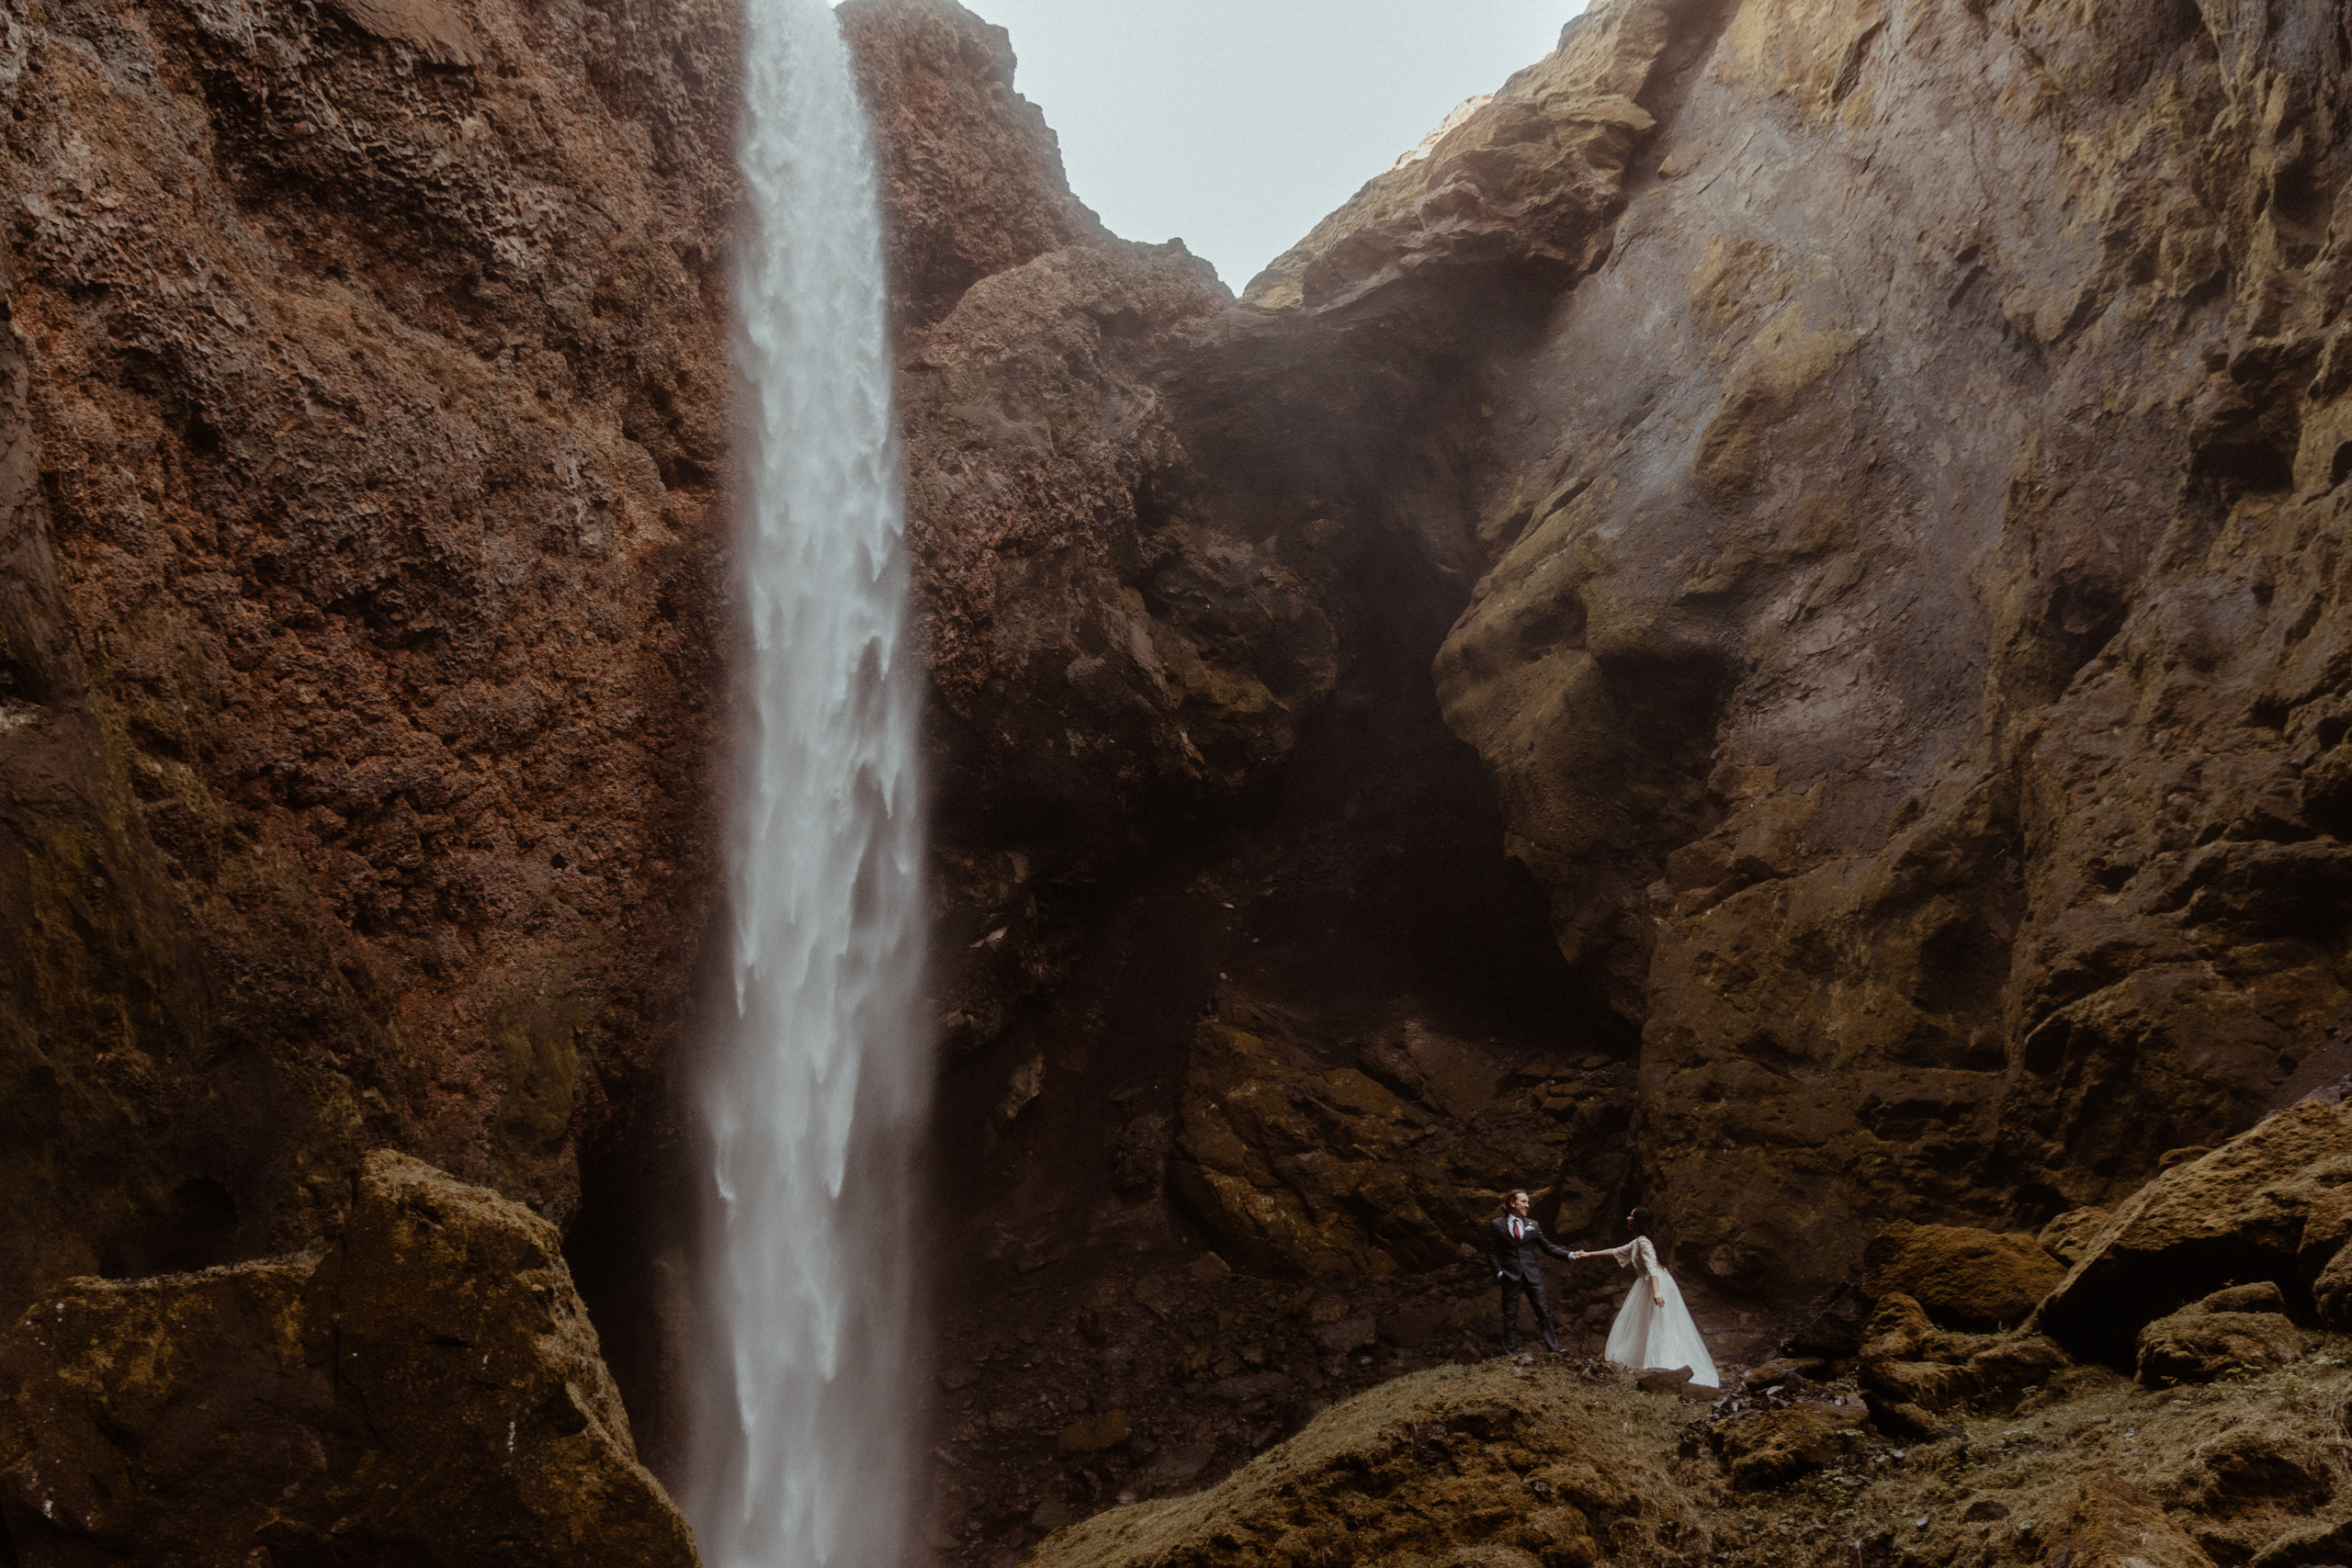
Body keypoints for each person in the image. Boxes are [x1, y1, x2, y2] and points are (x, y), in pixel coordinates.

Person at [1570, 1206, 1719, 1386]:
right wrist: (1588, 1254)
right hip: (1648, 1282)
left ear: (1638, 1221)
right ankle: (1646, 1363)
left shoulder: (1643, 1242)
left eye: (1631, 1216)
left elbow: (1652, 1266)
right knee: (1646, 1323)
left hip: (1655, 1283)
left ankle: (1664, 1365)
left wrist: (1656, 1291)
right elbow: (1617, 1251)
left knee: (1660, 1325)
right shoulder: (1638, 1241)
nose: (1628, 1218)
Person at [1487, 1189, 1574, 1354]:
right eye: (1523, 1201)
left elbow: (1548, 1248)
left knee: (1543, 1312)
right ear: (1512, 1203)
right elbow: (1491, 1252)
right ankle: (1510, 1355)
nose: (1528, 1205)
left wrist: (1569, 1255)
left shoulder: (1533, 1225)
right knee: (1510, 1315)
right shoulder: (1497, 1224)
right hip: (1510, 1276)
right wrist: (1499, 1272)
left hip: (1532, 1276)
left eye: (1528, 1202)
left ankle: (1554, 1351)